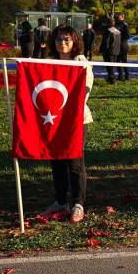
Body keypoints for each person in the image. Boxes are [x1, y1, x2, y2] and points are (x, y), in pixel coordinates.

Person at [41, 25, 94, 222]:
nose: (62, 43)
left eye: (66, 40)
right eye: (58, 40)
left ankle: (78, 203)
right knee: (57, 161)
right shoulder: (48, 62)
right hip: (53, 119)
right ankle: (61, 201)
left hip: (76, 119)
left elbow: (85, 90)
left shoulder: (81, 62)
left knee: (74, 162)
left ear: (74, 42)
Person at [101, 17, 122, 84]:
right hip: (116, 51)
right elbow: (119, 42)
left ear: (108, 23)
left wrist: (103, 51)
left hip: (109, 51)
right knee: (113, 66)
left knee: (109, 66)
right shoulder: (117, 31)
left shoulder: (108, 30)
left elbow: (106, 42)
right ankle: (111, 78)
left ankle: (112, 80)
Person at [115, 13, 130, 80]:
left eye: (119, 17)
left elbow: (127, 35)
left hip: (123, 45)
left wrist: (119, 35)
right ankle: (120, 76)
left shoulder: (125, 24)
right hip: (118, 44)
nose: (117, 17)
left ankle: (127, 76)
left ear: (122, 17)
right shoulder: (117, 24)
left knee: (124, 61)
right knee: (117, 60)